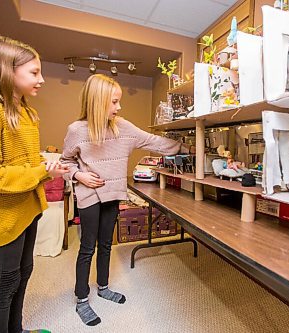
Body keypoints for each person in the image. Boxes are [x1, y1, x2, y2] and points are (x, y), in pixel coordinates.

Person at [61, 74, 193, 326]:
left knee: (107, 244)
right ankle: (81, 299)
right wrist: (79, 174)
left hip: (113, 194)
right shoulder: (76, 131)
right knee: (88, 247)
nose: (119, 107)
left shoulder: (123, 127)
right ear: (98, 101)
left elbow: (154, 141)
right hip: (88, 195)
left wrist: (188, 148)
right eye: (114, 102)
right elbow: (65, 163)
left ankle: (103, 287)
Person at [0, 35, 69, 333]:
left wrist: (48, 168)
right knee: (6, 284)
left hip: (28, 209)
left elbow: (24, 163)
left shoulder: (27, 113)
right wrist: (40, 172)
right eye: (34, 72)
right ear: (7, 72)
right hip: (6, 215)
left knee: (24, 273)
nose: (42, 79)